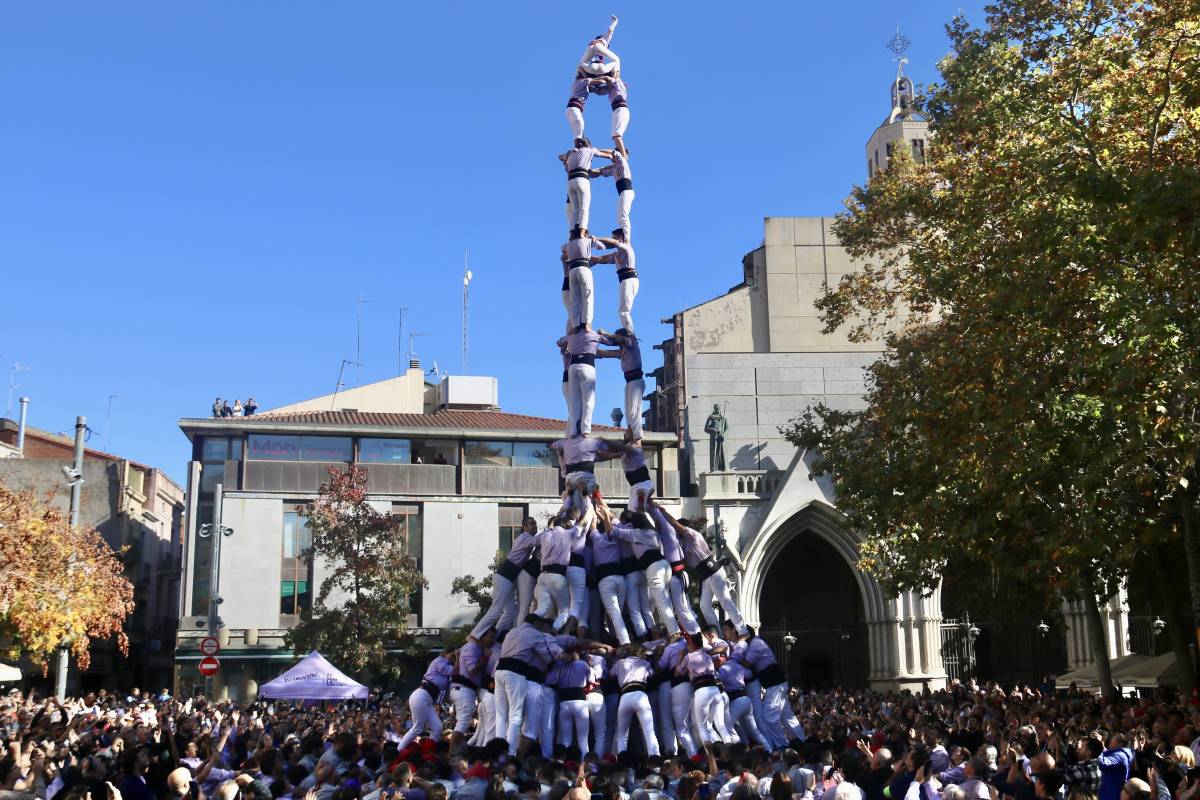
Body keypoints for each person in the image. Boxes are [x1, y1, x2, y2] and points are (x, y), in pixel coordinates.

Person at [660, 507, 748, 635]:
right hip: (706, 577)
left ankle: (743, 631)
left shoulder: (693, 535)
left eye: (677, 530)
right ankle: (718, 634)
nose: (675, 532)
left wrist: (662, 513)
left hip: (715, 573)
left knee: (726, 602)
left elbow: (674, 523)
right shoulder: (683, 543)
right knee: (705, 606)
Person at [609, 510, 680, 636]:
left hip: (653, 568)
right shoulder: (653, 533)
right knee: (664, 602)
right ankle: (665, 633)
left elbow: (613, 531)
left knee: (660, 604)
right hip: (665, 566)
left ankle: (675, 633)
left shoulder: (635, 534)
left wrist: (604, 515)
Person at [470, 517, 540, 641]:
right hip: (504, 576)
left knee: (509, 613)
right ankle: (474, 635)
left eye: (535, 524)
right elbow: (537, 541)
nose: (535, 526)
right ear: (525, 527)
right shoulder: (525, 537)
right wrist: (551, 532)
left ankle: (495, 638)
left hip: (508, 578)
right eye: (531, 524)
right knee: (496, 610)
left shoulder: (528, 538)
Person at [398, 648, 456, 748]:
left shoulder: (447, 667)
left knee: (437, 728)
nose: (453, 658)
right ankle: (398, 751)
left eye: (454, 657)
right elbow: (453, 672)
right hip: (420, 696)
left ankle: (429, 749)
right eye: (452, 656)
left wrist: (438, 705)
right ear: (445, 653)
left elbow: (445, 688)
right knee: (417, 729)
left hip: (428, 700)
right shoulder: (439, 660)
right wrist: (458, 658)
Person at [611, 643, 660, 756]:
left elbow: (611, 675)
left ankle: (622, 760)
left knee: (622, 734)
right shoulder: (645, 663)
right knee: (649, 732)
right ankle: (655, 758)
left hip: (625, 695)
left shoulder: (620, 663)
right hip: (640, 695)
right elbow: (652, 675)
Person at [450, 629, 494, 749]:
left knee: (463, 722)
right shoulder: (472, 647)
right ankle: (450, 755)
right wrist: (485, 658)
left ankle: (453, 753)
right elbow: (472, 669)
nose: (492, 640)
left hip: (465, 689)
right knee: (463, 722)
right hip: (463, 688)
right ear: (482, 635)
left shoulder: (475, 647)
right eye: (491, 636)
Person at [597, 327, 644, 438]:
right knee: (628, 413)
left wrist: (606, 332)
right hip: (629, 382)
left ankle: (637, 436)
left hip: (636, 380)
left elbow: (621, 339)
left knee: (634, 410)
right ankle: (631, 432)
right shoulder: (623, 350)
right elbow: (605, 353)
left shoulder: (631, 344)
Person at [559, 140, 613, 236]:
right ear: (587, 145)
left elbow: (560, 157)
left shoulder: (571, 153)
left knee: (575, 210)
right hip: (582, 180)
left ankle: (572, 234)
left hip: (571, 182)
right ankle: (582, 233)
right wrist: (615, 156)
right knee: (584, 209)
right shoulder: (589, 151)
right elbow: (607, 155)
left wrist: (566, 158)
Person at [593, 232, 638, 334]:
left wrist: (596, 239)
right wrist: (590, 259)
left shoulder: (626, 248)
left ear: (620, 237)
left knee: (624, 311)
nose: (612, 240)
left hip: (628, 280)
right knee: (623, 311)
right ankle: (629, 333)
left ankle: (630, 335)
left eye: (614, 238)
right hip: (626, 280)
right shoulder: (618, 254)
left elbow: (614, 243)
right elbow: (602, 259)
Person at [562, 232, 603, 332]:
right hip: (583, 269)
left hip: (572, 273)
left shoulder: (568, 246)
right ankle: (587, 324)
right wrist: (594, 239)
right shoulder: (587, 241)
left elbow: (563, 251)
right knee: (588, 297)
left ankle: (576, 326)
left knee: (575, 302)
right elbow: (602, 247)